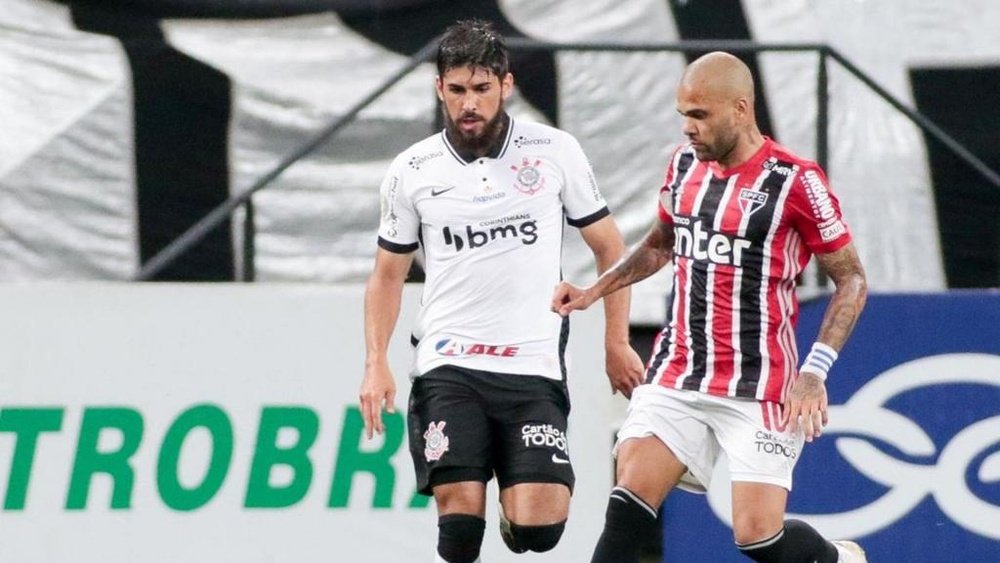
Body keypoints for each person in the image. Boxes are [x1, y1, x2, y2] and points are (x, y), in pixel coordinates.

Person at [552, 52, 869, 563]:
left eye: (699, 116)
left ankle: (838, 559)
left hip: (760, 382)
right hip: (679, 370)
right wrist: (595, 289)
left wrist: (814, 371)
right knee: (628, 499)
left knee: (758, 538)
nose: (687, 129)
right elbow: (660, 245)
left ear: (741, 109)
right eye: (683, 115)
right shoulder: (683, 167)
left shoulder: (796, 182)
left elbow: (851, 280)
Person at [359, 19, 645, 563]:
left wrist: (615, 341)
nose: (470, 104)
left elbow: (611, 249)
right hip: (449, 361)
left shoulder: (554, 151)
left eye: (482, 89)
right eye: (458, 90)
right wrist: (376, 361)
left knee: (540, 532)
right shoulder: (411, 170)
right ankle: (471, 481)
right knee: (461, 527)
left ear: (506, 85)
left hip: (532, 364)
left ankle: (518, 512)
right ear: (440, 88)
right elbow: (387, 275)